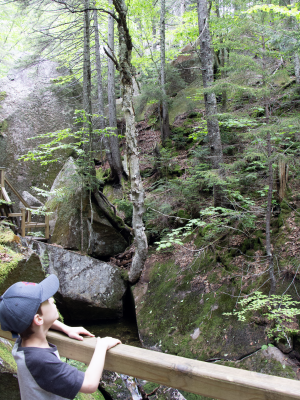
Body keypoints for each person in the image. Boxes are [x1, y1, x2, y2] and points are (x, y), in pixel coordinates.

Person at [0, 274, 121, 399]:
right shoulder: (41, 361)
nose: (52, 300)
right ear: (38, 319)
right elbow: (89, 384)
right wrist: (101, 346)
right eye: (46, 300)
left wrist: (65, 328)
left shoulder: (23, 340)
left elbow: (34, 322)